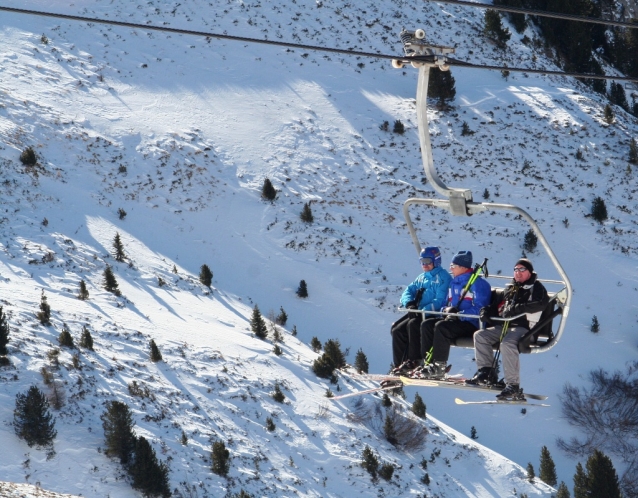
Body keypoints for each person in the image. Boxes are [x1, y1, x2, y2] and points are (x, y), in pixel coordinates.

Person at [468, 258, 549, 401]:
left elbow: (540, 304)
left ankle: (513, 385)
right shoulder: (511, 288)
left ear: (529, 272)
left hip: (524, 328)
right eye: (516, 269)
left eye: (522, 269)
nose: (518, 273)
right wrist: (486, 311)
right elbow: (498, 305)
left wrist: (516, 309)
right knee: (480, 336)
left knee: (507, 343)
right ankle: (486, 372)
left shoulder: (536, 288)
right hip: (505, 325)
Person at [412, 250, 491, 379]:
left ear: (463, 267)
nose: (450, 268)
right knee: (427, 324)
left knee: (442, 328)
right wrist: (446, 311)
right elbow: (445, 304)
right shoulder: (453, 284)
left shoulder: (477, 284)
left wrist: (459, 314)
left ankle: (439, 366)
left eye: (453, 266)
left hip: (471, 323)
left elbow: (480, 309)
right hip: (454, 320)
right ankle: (427, 363)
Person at [390, 247, 451, 374]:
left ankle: (415, 360)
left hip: (433, 314)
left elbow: (440, 300)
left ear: (436, 261)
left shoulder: (443, 278)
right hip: (418, 312)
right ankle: (400, 364)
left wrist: (423, 310)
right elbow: (408, 291)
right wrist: (410, 303)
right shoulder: (422, 277)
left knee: (413, 325)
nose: (424, 265)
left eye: (428, 261)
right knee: (397, 329)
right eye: (422, 261)